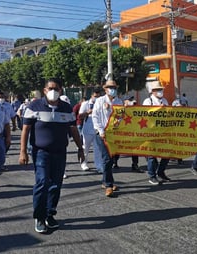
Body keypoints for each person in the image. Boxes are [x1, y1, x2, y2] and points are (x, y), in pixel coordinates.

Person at [18, 78, 84, 233]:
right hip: (41, 152)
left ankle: (50, 213)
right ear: (44, 90)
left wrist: (80, 148)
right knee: (42, 182)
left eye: (56, 88)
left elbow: (73, 129)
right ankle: (39, 217)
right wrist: (23, 151)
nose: (53, 91)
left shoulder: (66, 108)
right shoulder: (34, 106)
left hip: (60, 152)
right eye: (50, 88)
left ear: (61, 90)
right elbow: (25, 130)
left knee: (56, 184)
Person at [92, 80, 123, 197]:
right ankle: (109, 185)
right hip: (101, 134)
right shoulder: (99, 101)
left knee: (112, 159)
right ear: (105, 89)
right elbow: (95, 117)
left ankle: (106, 181)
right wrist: (100, 131)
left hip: (114, 134)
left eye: (114, 87)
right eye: (110, 87)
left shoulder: (119, 101)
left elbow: (121, 117)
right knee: (107, 159)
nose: (112, 89)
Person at [142, 82, 171, 184]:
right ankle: (152, 176)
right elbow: (144, 114)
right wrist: (159, 109)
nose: (160, 92)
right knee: (152, 155)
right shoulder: (148, 101)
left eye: (161, 90)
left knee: (167, 154)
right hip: (151, 131)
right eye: (158, 90)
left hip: (163, 131)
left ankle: (161, 172)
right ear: (153, 91)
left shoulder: (165, 101)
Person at [78, 86, 103, 172]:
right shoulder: (85, 104)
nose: (97, 98)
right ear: (92, 95)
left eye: (98, 96)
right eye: (95, 96)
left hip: (97, 130)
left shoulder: (101, 104)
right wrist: (87, 112)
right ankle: (83, 163)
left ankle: (98, 165)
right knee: (85, 148)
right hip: (87, 129)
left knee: (97, 149)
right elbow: (80, 116)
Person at [123, 95, 144, 173]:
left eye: (132, 99)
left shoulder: (135, 109)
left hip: (133, 132)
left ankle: (135, 165)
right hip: (123, 133)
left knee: (135, 149)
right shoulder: (121, 108)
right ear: (125, 101)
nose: (132, 101)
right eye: (129, 100)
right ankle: (114, 162)